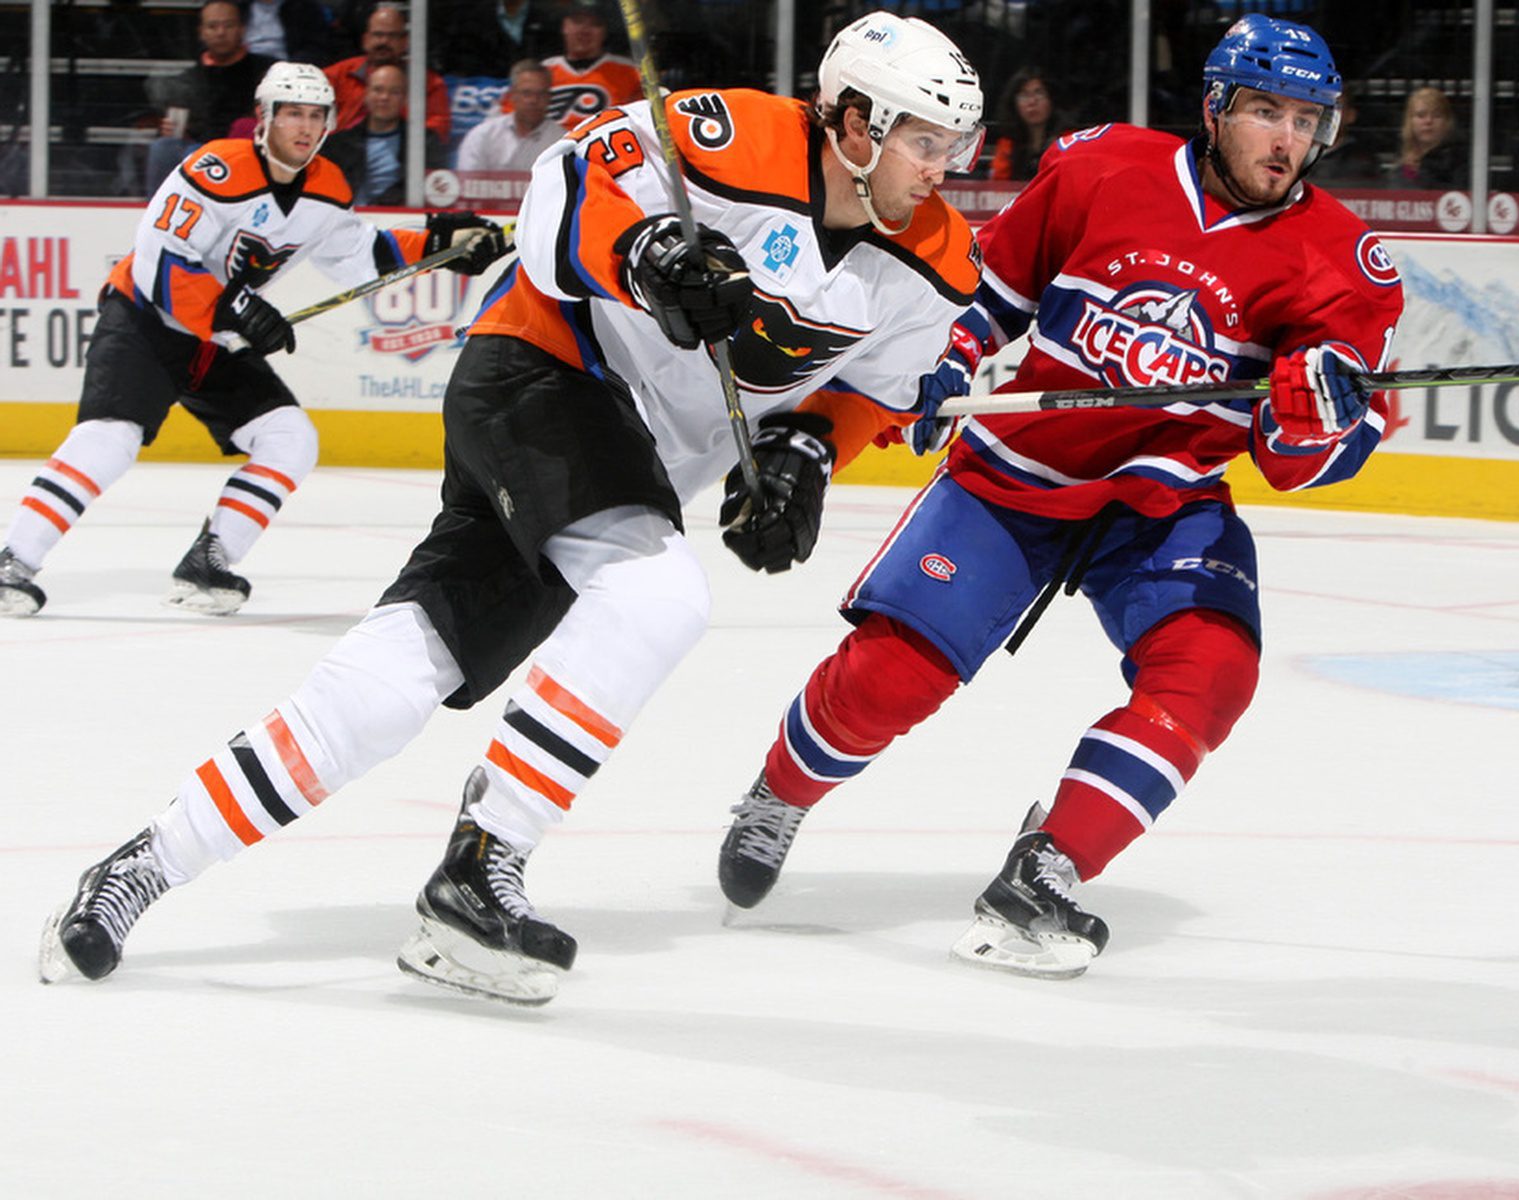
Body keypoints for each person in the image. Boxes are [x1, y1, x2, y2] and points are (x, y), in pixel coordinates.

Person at [38, 12, 987, 1008]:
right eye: (925, 139)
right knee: (656, 596)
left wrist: (807, 451)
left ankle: (144, 862)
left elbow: (882, 383)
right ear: (853, 121)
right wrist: (645, 255)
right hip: (544, 370)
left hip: (623, 460)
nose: (942, 167)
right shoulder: (731, 135)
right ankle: (479, 866)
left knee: (393, 680)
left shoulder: (936, 256)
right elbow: (567, 183)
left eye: (951, 146)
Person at [716, 15, 1406, 981]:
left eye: (1304, 118)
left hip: (1164, 503)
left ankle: (1047, 872)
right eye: (1264, 112)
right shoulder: (1104, 168)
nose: (1285, 140)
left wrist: (1310, 421)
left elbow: (1321, 453)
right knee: (891, 676)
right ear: (1216, 111)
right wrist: (944, 356)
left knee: (1211, 673)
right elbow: (987, 286)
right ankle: (779, 795)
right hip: (1020, 473)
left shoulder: (1341, 261)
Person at [0, 63, 506, 620]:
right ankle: (13, 560)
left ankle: (208, 561)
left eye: (316, 115)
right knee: (110, 439)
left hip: (215, 340)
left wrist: (441, 241)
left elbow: (355, 255)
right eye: (293, 113)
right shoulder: (215, 168)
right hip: (145, 323)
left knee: (290, 438)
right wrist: (238, 308)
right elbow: (161, 261)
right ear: (263, 118)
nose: (305, 127)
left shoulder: (327, 187)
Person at [143, 1, 276, 197]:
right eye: (213, 26)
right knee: (163, 147)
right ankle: (156, 214)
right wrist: (170, 129)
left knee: (201, 155)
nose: (220, 32)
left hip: (245, 151)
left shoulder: (266, 71)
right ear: (202, 32)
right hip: (198, 149)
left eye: (228, 25)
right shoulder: (188, 79)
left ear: (242, 29)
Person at [323, 3, 451, 141]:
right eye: (378, 35)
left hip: (403, 158)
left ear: (405, 42)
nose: (384, 41)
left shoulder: (428, 83)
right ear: (365, 40)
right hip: (339, 155)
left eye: (392, 36)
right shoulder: (336, 76)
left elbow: (438, 132)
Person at [323, 63, 447, 203]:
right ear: (366, 94)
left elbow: (435, 187)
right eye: (378, 90)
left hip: (403, 218)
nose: (384, 97)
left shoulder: (425, 143)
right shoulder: (337, 144)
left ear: (405, 98)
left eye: (394, 92)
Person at [543, 0, 643, 131]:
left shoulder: (630, 72)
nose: (584, 30)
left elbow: (642, 120)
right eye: (577, 22)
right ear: (564, 26)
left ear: (605, 31)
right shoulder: (541, 72)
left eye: (595, 24)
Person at [455, 60, 563, 174]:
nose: (533, 100)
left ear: (549, 98)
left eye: (541, 94)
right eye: (526, 93)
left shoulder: (561, 142)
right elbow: (467, 183)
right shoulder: (482, 135)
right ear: (512, 95)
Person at [986, 67, 1069, 183]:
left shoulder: (1068, 141)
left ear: (1051, 99)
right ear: (1014, 103)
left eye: (1039, 93)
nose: (1032, 102)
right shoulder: (1007, 145)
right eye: (1024, 95)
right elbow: (997, 187)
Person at [1393, 86, 1465, 189]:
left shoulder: (1459, 159)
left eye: (1436, 115)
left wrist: (1423, 175)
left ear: (1447, 122)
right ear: (1410, 121)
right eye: (1421, 115)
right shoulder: (1401, 157)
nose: (1428, 121)